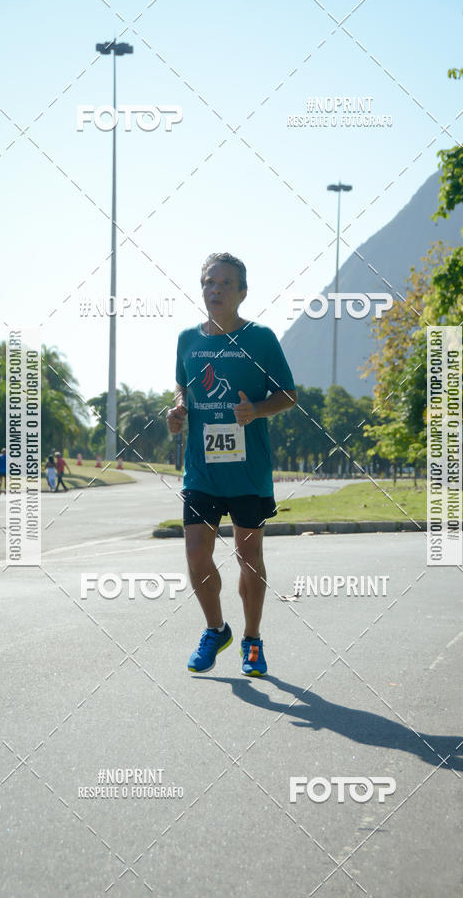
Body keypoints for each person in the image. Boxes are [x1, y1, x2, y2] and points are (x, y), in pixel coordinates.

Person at [167, 252, 297, 677]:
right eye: (209, 282)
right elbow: (182, 388)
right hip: (201, 470)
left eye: (225, 283)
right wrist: (178, 410)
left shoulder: (261, 339)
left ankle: (252, 640)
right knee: (196, 555)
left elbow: (288, 394)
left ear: (242, 292)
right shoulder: (188, 340)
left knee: (249, 556)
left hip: (248, 472)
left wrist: (256, 410)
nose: (216, 289)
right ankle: (215, 629)